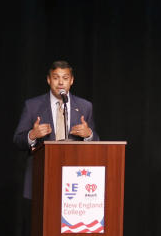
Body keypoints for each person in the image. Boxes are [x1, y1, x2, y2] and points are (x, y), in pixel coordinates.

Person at [13, 60, 98, 198]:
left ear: (71, 80)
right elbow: (17, 140)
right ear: (48, 80)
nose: (60, 83)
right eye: (56, 77)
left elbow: (96, 142)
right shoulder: (32, 106)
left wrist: (88, 135)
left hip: (75, 181)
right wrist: (32, 135)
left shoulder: (85, 106)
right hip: (43, 177)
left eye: (65, 78)